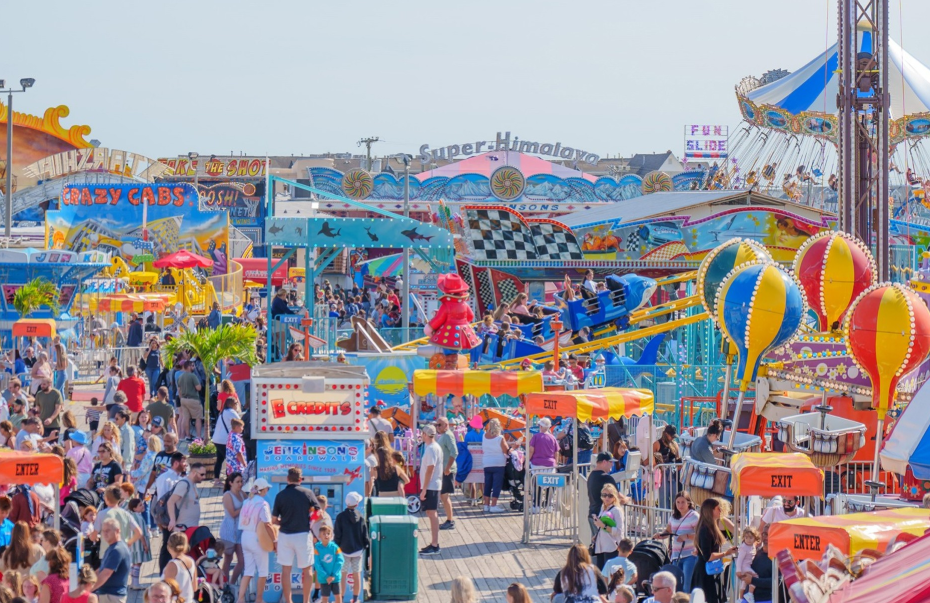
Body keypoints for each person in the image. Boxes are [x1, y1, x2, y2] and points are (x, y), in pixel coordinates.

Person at [271, 468, 319, 603]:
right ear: (300, 479)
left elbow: (274, 520)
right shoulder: (308, 493)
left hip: (285, 535)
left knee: (286, 571)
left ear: (288, 479)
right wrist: (310, 522)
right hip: (303, 535)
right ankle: (306, 601)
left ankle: (289, 601)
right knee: (307, 569)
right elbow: (318, 512)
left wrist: (282, 522)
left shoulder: (280, 495)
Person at [237, 478, 274, 603]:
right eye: (267, 489)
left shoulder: (247, 501)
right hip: (257, 537)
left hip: (245, 537)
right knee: (263, 572)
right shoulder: (262, 504)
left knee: (248, 571)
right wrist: (274, 541)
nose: (268, 491)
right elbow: (268, 524)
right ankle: (259, 600)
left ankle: (240, 599)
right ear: (262, 490)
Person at [694, 498, 737, 603]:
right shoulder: (706, 529)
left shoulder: (711, 526)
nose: (720, 511)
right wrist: (726, 553)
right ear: (711, 510)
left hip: (711, 570)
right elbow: (708, 557)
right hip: (705, 572)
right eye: (718, 509)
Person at [655, 491, 699, 592]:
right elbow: (668, 531)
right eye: (678, 502)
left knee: (686, 585)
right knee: (675, 584)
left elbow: (700, 535)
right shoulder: (673, 517)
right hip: (675, 555)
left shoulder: (694, 516)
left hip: (690, 555)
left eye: (683, 502)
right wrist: (660, 535)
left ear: (688, 503)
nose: (680, 505)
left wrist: (687, 536)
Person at [333, 492, 368, 603]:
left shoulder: (340, 517)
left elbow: (337, 535)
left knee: (342, 575)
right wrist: (365, 545)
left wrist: (337, 548)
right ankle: (356, 599)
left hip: (343, 551)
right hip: (358, 551)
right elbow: (364, 535)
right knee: (356, 574)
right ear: (357, 504)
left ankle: (341, 599)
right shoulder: (361, 517)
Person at [93, 486, 142, 561]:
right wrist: (129, 542)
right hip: (123, 552)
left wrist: (91, 536)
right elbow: (139, 532)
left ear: (106, 498)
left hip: (106, 553)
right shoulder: (125, 513)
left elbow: (93, 536)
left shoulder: (101, 514)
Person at [91, 518, 131, 603]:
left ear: (117, 531)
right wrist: (86, 581)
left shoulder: (117, 550)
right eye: (103, 531)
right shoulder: (112, 548)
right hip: (109, 595)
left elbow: (106, 574)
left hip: (112, 596)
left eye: (107, 531)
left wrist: (88, 589)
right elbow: (101, 569)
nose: (104, 534)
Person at [418, 425, 443, 554]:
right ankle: (434, 543)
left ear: (425, 434)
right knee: (430, 513)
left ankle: (435, 544)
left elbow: (430, 469)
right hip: (433, 485)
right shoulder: (434, 447)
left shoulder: (431, 449)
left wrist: (424, 489)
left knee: (432, 514)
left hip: (431, 485)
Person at [219, 473, 245, 587]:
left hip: (240, 530)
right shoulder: (227, 495)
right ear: (231, 483)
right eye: (237, 482)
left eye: (241, 481)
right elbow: (232, 513)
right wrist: (245, 506)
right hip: (229, 530)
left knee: (242, 561)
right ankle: (224, 584)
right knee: (228, 558)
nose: (240, 484)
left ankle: (232, 582)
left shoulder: (242, 493)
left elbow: (250, 500)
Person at [592, 484, 626, 568]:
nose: (607, 498)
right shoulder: (603, 507)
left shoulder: (617, 510)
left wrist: (603, 526)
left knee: (611, 574)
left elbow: (619, 531)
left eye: (610, 495)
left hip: (612, 546)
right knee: (601, 573)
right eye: (604, 495)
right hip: (601, 546)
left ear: (614, 497)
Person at [481, 418, 510, 514]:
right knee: (496, 484)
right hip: (498, 463)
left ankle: (486, 505)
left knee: (487, 484)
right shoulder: (500, 438)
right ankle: (493, 505)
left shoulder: (484, 436)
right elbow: (506, 450)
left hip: (487, 462)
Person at [434, 417, 458, 530]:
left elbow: (454, 452)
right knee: (444, 496)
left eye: (439, 425)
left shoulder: (448, 435)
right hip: (443, 469)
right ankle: (449, 519)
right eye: (436, 425)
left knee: (444, 496)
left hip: (447, 470)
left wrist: (448, 467)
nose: (437, 427)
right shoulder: (444, 435)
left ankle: (450, 520)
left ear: (446, 425)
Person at [166, 463, 204, 532]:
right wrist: (172, 520)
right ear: (194, 473)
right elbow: (170, 501)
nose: (204, 477)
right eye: (202, 474)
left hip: (192, 527)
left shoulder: (193, 483)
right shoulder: (184, 484)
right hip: (183, 528)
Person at [212, 399, 242, 484]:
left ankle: (217, 479)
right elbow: (240, 422)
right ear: (232, 404)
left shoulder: (224, 411)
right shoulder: (231, 412)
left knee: (220, 459)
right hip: (224, 440)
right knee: (229, 460)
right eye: (236, 403)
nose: (237, 405)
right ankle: (229, 481)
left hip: (217, 439)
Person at [160, 533, 196, 603]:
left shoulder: (173, 565)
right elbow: (194, 587)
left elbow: (167, 590)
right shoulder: (191, 561)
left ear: (168, 546)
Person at [312, 525, 344, 603]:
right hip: (324, 579)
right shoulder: (317, 548)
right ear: (319, 536)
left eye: (328, 533)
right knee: (325, 598)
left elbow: (340, 561)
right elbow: (317, 564)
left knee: (338, 597)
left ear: (331, 535)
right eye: (324, 534)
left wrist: (333, 575)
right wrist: (326, 576)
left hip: (335, 578)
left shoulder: (335, 547)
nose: (326, 535)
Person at [126, 499, 151, 590]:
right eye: (140, 505)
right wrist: (145, 544)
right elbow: (140, 533)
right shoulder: (138, 517)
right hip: (139, 544)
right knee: (138, 563)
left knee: (135, 563)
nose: (143, 506)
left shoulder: (133, 516)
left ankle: (133, 582)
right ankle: (135, 583)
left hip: (135, 543)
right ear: (134, 508)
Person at [176, 362, 203, 442]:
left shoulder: (180, 377)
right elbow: (198, 388)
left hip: (183, 399)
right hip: (193, 399)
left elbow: (179, 390)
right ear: (188, 367)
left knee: (186, 418)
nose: (193, 367)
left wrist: (182, 398)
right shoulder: (193, 376)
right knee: (198, 417)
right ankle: (198, 436)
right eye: (192, 365)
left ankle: (187, 435)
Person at [736, 526, 760, 603]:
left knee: (744, 582)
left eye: (750, 538)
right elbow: (739, 560)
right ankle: (750, 593)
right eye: (746, 538)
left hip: (747, 566)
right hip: (744, 567)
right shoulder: (744, 547)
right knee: (755, 576)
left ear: (754, 538)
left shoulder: (753, 546)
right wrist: (738, 570)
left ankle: (740, 598)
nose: (748, 540)